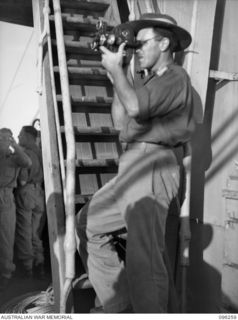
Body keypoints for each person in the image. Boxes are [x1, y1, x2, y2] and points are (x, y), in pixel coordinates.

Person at [75, 13, 195, 313]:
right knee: (88, 224)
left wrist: (118, 73)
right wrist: (121, 73)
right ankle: (122, 307)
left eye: (141, 43)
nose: (136, 49)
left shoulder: (175, 77)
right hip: (132, 163)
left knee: (145, 258)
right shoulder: (149, 80)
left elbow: (135, 107)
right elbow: (120, 120)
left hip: (152, 162)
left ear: (165, 42)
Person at [0, 128, 32, 291]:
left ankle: (5, 275)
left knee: (6, 238)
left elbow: (27, 163)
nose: (4, 141)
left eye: (8, 138)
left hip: (5, 198)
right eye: (1, 138)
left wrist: (16, 147)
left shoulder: (14, 158)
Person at [14, 126, 45, 278]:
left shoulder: (25, 154)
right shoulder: (41, 152)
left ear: (27, 136)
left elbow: (22, 180)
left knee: (24, 232)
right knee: (35, 232)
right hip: (40, 193)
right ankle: (40, 263)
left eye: (20, 135)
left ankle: (27, 269)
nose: (19, 138)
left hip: (26, 193)